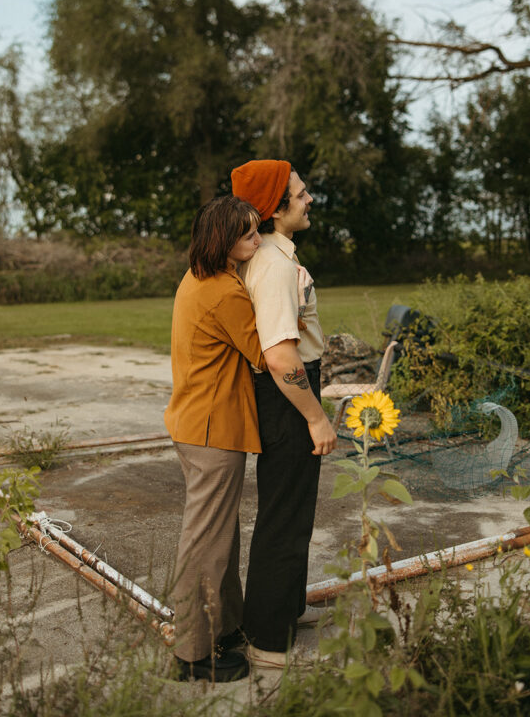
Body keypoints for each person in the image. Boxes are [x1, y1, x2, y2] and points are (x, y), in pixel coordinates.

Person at [230, 159, 337, 669]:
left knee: (295, 510)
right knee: (283, 517)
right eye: (299, 194)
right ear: (274, 208)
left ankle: (287, 610)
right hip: (288, 395)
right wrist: (316, 417)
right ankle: (268, 640)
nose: (309, 198)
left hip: (292, 391)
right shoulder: (273, 266)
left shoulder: (277, 254)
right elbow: (279, 356)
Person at [164, 194, 266, 683]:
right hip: (212, 429)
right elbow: (265, 354)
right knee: (206, 541)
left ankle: (223, 628)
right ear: (225, 239)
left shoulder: (199, 276)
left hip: (195, 423)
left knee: (218, 534)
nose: (258, 240)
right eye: (249, 234)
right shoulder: (225, 291)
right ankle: (192, 655)